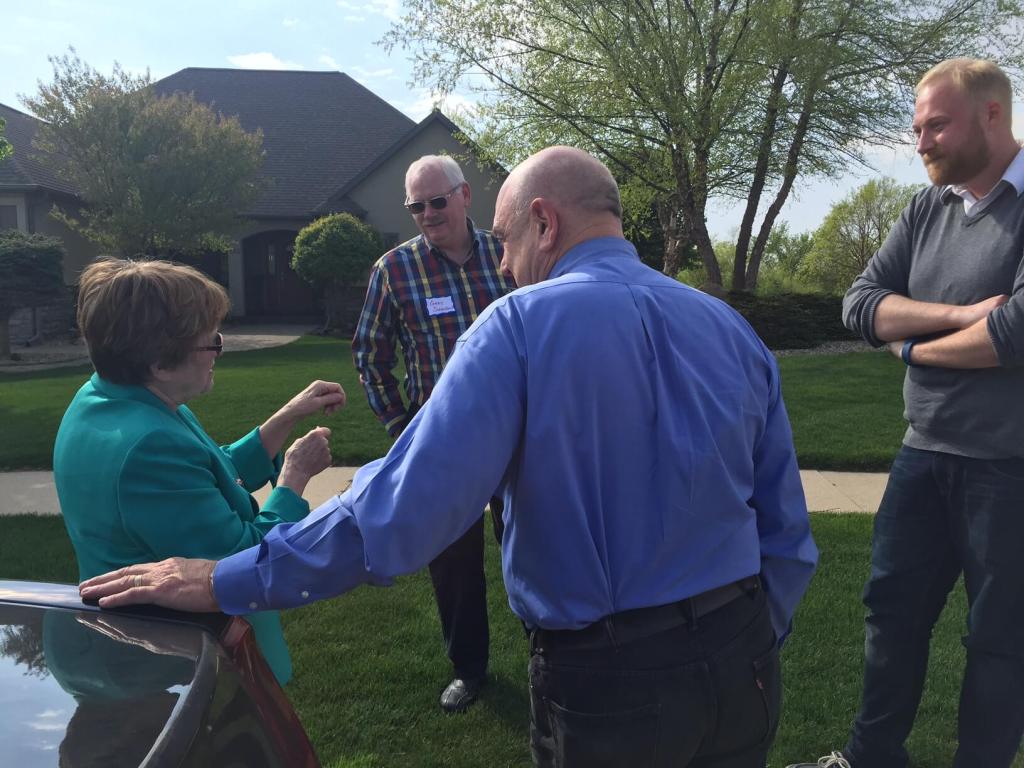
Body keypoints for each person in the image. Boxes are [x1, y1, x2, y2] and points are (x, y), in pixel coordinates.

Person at [80, 147, 818, 767]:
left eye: (503, 239)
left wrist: (228, 578)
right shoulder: (728, 326)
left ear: (544, 222)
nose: (499, 263)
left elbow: (397, 514)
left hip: (613, 684)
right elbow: (786, 531)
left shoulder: (518, 327)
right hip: (745, 662)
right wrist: (751, 636)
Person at [787, 59, 1024, 768]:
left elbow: (1014, 334)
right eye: (917, 127)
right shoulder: (928, 207)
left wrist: (915, 349)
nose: (921, 141)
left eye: (936, 125)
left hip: (1009, 469)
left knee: (999, 641)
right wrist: (955, 317)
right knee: (891, 615)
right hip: (924, 452)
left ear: (992, 115)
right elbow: (860, 305)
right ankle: (869, 758)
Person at [55, 257, 344, 686]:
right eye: (210, 344)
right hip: (176, 669)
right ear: (159, 364)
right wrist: (293, 479)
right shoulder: (147, 447)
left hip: (143, 651)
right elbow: (241, 561)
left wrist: (286, 417)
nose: (216, 352)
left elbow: (210, 473)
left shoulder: (112, 399)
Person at [352, 154, 514, 712]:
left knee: (538, 542)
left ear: (465, 195)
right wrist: (400, 425)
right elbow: (369, 355)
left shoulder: (506, 253)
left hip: (517, 431)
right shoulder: (393, 271)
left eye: (436, 201)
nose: (426, 214)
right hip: (441, 444)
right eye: (415, 206)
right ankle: (469, 669)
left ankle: (557, 651)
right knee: (452, 564)